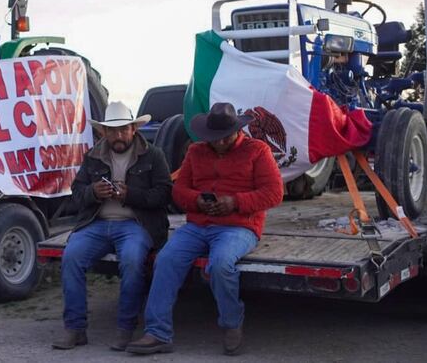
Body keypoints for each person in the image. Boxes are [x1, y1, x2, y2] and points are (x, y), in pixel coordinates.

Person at [126, 102, 283, 356]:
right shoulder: (196, 151)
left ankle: (232, 323)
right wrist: (198, 200)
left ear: (237, 130)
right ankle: (157, 332)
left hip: (239, 225)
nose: (219, 143)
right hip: (198, 224)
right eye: (214, 138)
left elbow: (274, 193)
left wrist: (235, 202)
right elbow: (179, 190)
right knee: (165, 260)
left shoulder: (258, 151)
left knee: (221, 264)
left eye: (224, 137)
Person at [52, 101, 172, 351]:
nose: (118, 135)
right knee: (71, 256)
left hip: (135, 224)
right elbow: (76, 193)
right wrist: (93, 193)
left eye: (123, 130)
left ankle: (125, 328)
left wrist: (130, 195)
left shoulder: (153, 155)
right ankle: (75, 328)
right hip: (97, 223)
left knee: (131, 259)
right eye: (112, 131)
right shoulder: (93, 156)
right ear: (103, 132)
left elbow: (164, 196)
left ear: (133, 130)